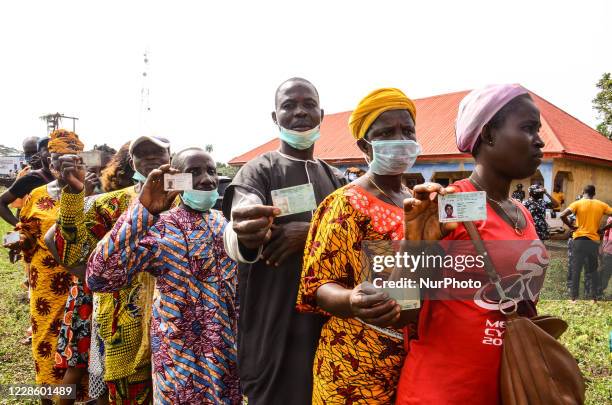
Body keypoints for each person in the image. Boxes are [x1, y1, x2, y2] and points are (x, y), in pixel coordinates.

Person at [396, 84, 548, 405]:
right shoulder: (447, 206)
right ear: (490, 135)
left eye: (538, 129)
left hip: (507, 386)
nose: (540, 140)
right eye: (528, 128)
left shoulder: (520, 212)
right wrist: (416, 248)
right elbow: (399, 311)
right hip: (442, 392)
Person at [222, 78, 345, 405]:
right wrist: (246, 233)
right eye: (289, 105)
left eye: (308, 104)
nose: (300, 112)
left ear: (321, 114)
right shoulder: (257, 170)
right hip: (274, 322)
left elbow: (351, 238)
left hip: (326, 322)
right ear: (275, 117)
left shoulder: (334, 178)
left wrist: (310, 233)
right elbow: (240, 222)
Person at [87, 148, 241, 404]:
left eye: (212, 171)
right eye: (193, 172)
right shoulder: (159, 225)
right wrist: (143, 211)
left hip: (225, 358)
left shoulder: (225, 223)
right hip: (180, 362)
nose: (206, 179)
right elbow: (99, 276)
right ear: (174, 179)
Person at [296, 88, 420, 403]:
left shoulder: (419, 204)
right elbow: (318, 286)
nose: (400, 138)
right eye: (387, 132)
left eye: (407, 130)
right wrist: (351, 299)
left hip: (416, 363)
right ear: (365, 146)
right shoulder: (345, 204)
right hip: (353, 367)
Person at [55, 135, 171, 404]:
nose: (152, 158)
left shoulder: (187, 202)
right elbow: (70, 252)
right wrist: (73, 193)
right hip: (122, 323)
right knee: (125, 394)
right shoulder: (108, 204)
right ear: (132, 161)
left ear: (171, 158)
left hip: (174, 318)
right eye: (143, 153)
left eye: (159, 153)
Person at [4, 129, 86, 404]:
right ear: (49, 163)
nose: (61, 165)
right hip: (46, 283)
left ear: (81, 163)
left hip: (82, 279)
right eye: (56, 159)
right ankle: (50, 396)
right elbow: (24, 229)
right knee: (47, 335)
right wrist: (14, 241)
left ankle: (81, 395)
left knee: (79, 339)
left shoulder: (94, 193)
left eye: (71, 159)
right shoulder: (37, 194)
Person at [560, 185, 612, 300]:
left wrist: (570, 226)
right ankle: (594, 297)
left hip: (579, 239)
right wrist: (604, 228)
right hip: (593, 240)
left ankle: (574, 298)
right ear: (594, 193)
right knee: (593, 269)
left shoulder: (577, 203)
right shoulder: (601, 204)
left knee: (576, 269)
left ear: (583, 192)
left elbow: (562, 215)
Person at [0, 137, 53, 226]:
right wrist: (19, 226)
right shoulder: (25, 175)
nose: (32, 156)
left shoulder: (61, 173)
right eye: (28, 153)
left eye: (35, 151)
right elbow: (20, 208)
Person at [599, 217, 612, 296]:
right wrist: (603, 248)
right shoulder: (610, 218)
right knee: (605, 274)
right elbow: (606, 235)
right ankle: (598, 292)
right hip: (609, 252)